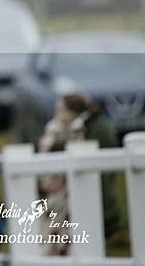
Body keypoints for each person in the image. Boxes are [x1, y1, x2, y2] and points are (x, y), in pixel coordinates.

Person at [36, 90, 121, 255]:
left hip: (93, 205)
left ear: (73, 111)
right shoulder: (60, 130)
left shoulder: (95, 130)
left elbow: (90, 163)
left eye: (60, 110)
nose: (56, 115)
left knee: (86, 253)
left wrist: (52, 147)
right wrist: (45, 184)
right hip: (65, 205)